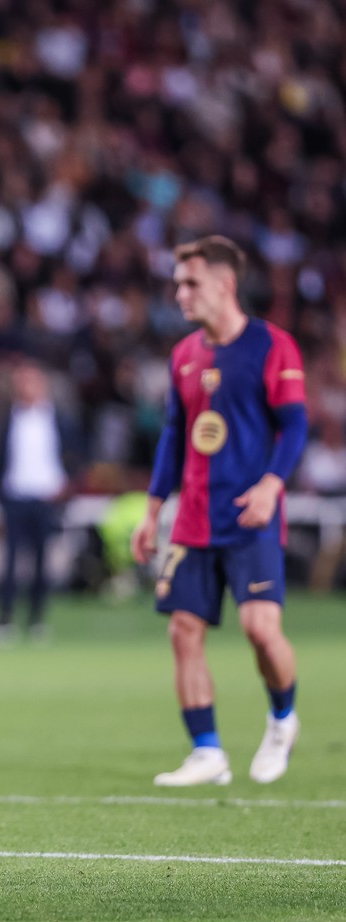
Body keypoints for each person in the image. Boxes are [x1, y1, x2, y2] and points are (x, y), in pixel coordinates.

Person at [131, 236, 306, 787]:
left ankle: (283, 718)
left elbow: (296, 425)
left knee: (260, 628)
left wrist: (271, 486)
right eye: (178, 283)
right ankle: (208, 752)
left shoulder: (272, 346)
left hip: (249, 515)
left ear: (225, 284)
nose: (180, 293)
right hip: (193, 519)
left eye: (191, 283)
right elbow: (175, 437)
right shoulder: (184, 355)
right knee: (183, 630)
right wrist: (152, 508)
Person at [0, 358, 83, 643]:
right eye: (21, 381)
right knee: (10, 563)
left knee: (43, 563)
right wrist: (0, 492)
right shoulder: (8, 419)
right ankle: (4, 620)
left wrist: (66, 484)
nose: (26, 386)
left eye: (31, 380)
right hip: (15, 497)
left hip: (46, 498)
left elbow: (75, 454)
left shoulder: (59, 419)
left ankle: (36, 621)